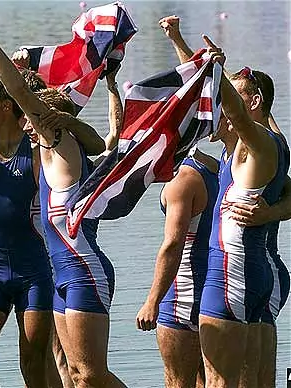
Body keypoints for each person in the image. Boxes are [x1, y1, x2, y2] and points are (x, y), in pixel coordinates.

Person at [0, 6, 127, 388]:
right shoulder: (54, 150)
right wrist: (111, 87)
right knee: (74, 376)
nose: (26, 126)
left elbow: (18, 92)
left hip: (83, 268)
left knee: (90, 374)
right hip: (62, 271)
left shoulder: (57, 140)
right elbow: (109, 139)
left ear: (43, 118)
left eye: (31, 118)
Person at [133, 16, 220, 388]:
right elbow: (197, 90)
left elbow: (173, 244)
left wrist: (152, 299)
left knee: (178, 382)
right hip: (217, 287)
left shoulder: (184, 180)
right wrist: (178, 41)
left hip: (182, 291)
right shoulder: (221, 165)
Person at [200, 36, 289, 388]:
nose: (223, 104)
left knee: (219, 383)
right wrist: (199, 59)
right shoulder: (272, 141)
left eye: (232, 96)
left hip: (230, 271)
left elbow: (235, 112)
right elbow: (207, 97)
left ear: (253, 102)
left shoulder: (259, 142)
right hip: (254, 270)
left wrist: (218, 68)